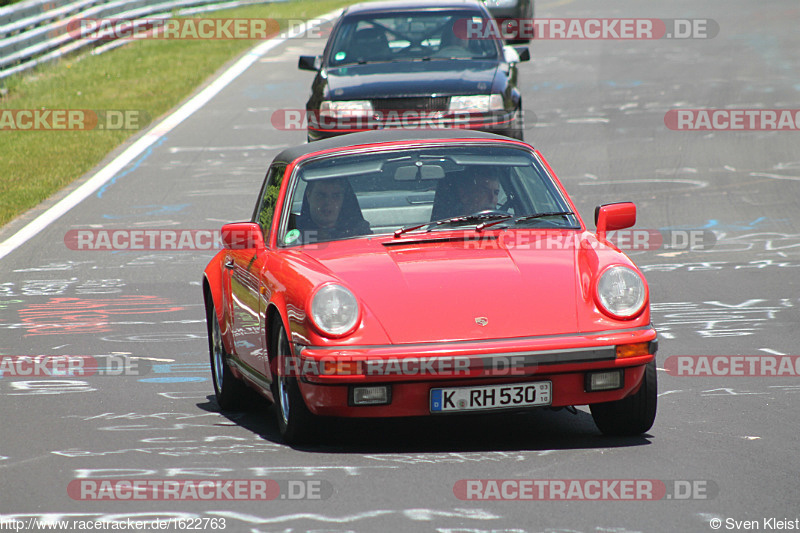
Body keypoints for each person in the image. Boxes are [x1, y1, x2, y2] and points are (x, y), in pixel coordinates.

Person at [293, 178, 371, 243]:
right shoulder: (291, 231)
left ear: (343, 199)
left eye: (336, 196)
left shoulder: (359, 233)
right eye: (321, 195)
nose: (328, 203)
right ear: (308, 196)